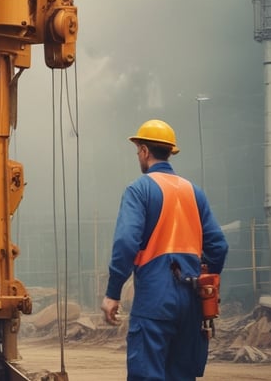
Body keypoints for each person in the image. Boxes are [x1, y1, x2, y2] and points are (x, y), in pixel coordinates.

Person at [101, 119, 229, 381]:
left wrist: (113, 292)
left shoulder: (139, 189)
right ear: (170, 151)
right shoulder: (194, 192)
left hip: (154, 300)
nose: (138, 155)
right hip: (191, 300)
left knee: (147, 374)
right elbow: (218, 246)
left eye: (138, 149)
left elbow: (126, 242)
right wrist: (207, 279)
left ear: (145, 151)